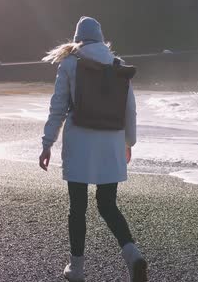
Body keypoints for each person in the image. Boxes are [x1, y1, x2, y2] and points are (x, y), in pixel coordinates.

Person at [38, 16, 147, 282]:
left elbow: (58, 108)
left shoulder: (69, 64)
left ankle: (76, 269)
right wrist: (128, 143)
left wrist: (47, 144)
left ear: (78, 38)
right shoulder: (117, 65)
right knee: (108, 204)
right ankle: (132, 255)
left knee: (78, 207)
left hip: (79, 144)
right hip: (111, 142)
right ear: (101, 38)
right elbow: (130, 109)